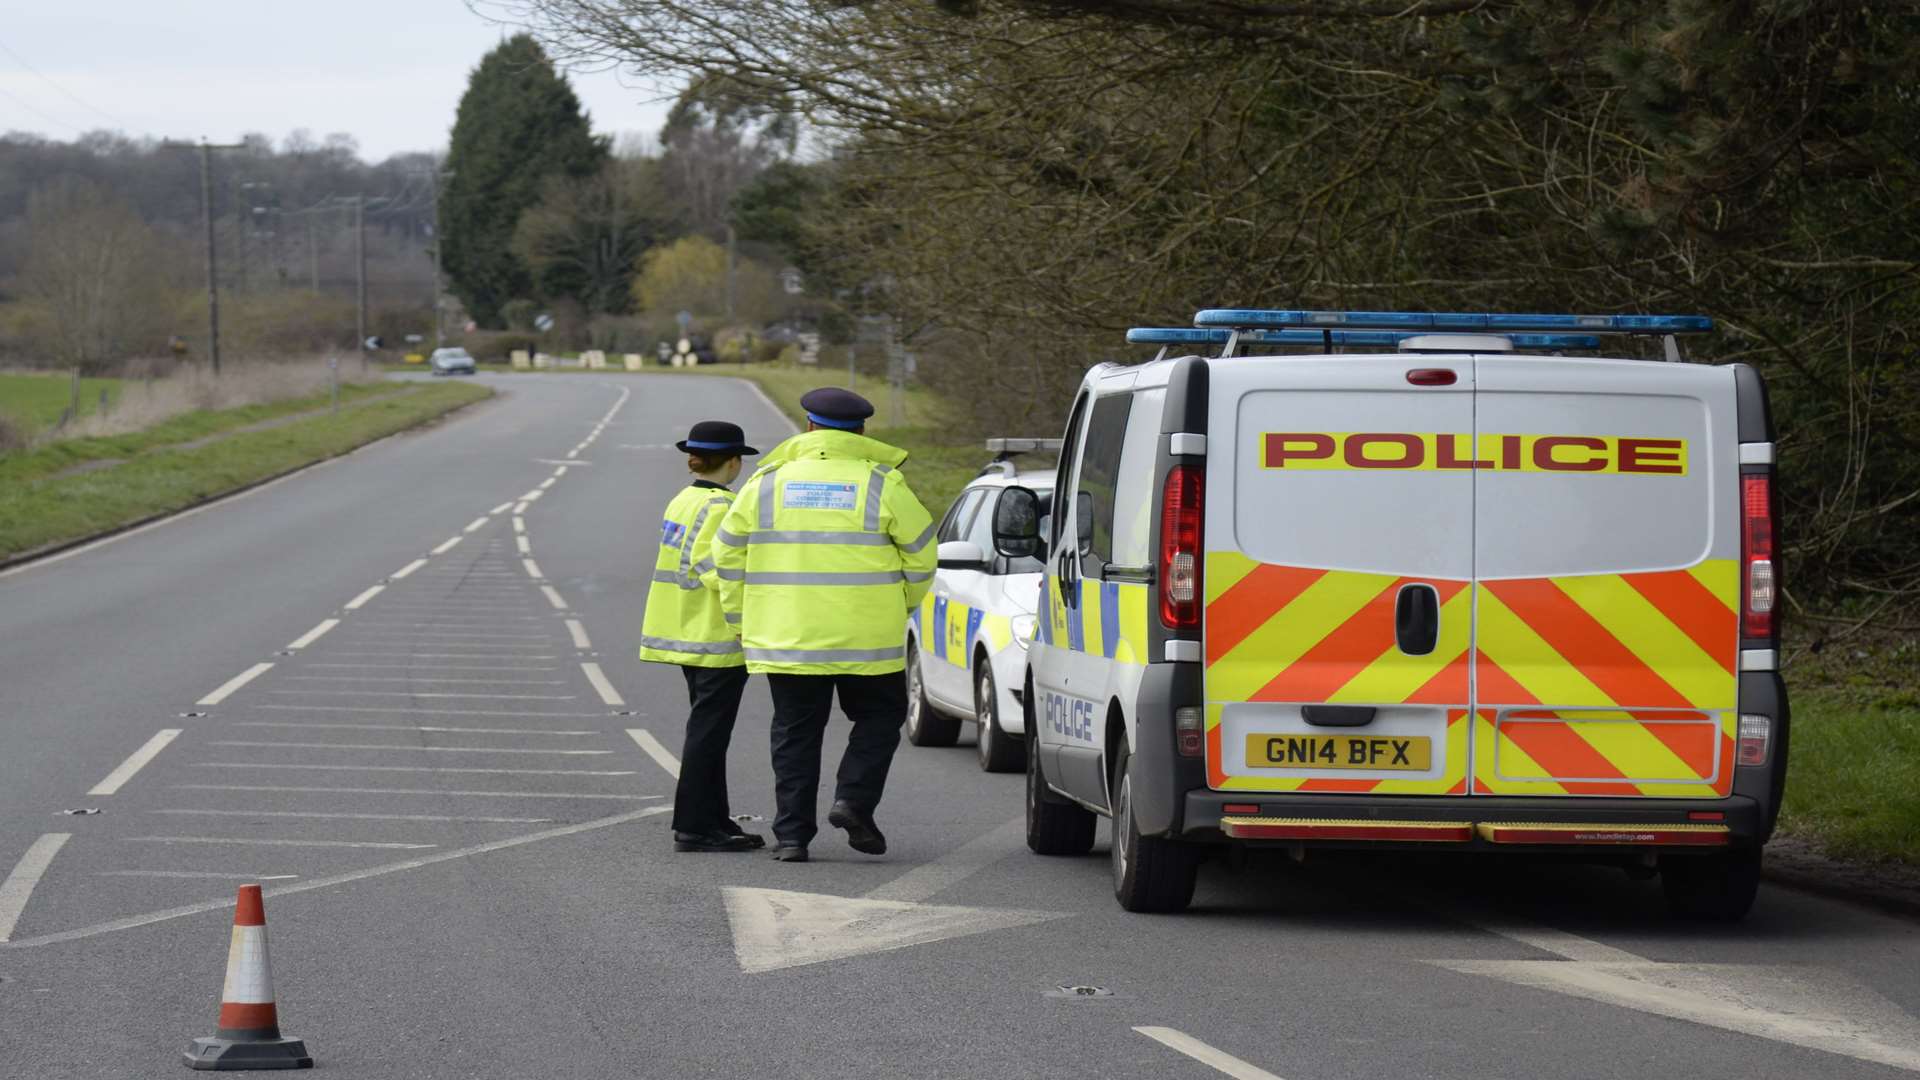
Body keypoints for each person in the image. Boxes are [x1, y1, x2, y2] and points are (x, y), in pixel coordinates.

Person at [713, 387, 937, 862]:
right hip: (867, 639)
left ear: (810, 428)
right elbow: (922, 555)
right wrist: (902, 604)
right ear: (861, 432)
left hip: (788, 638)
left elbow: (727, 555)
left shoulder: (766, 483)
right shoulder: (882, 483)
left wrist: (741, 617)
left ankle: (792, 837)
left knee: (795, 733)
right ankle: (853, 800)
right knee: (879, 717)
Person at [640, 420, 765, 853]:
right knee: (708, 735)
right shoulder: (719, 507)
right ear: (733, 462)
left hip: (685, 629)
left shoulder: (683, 500)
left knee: (707, 730)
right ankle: (694, 825)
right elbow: (715, 569)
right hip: (715, 635)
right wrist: (748, 616)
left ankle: (714, 818)